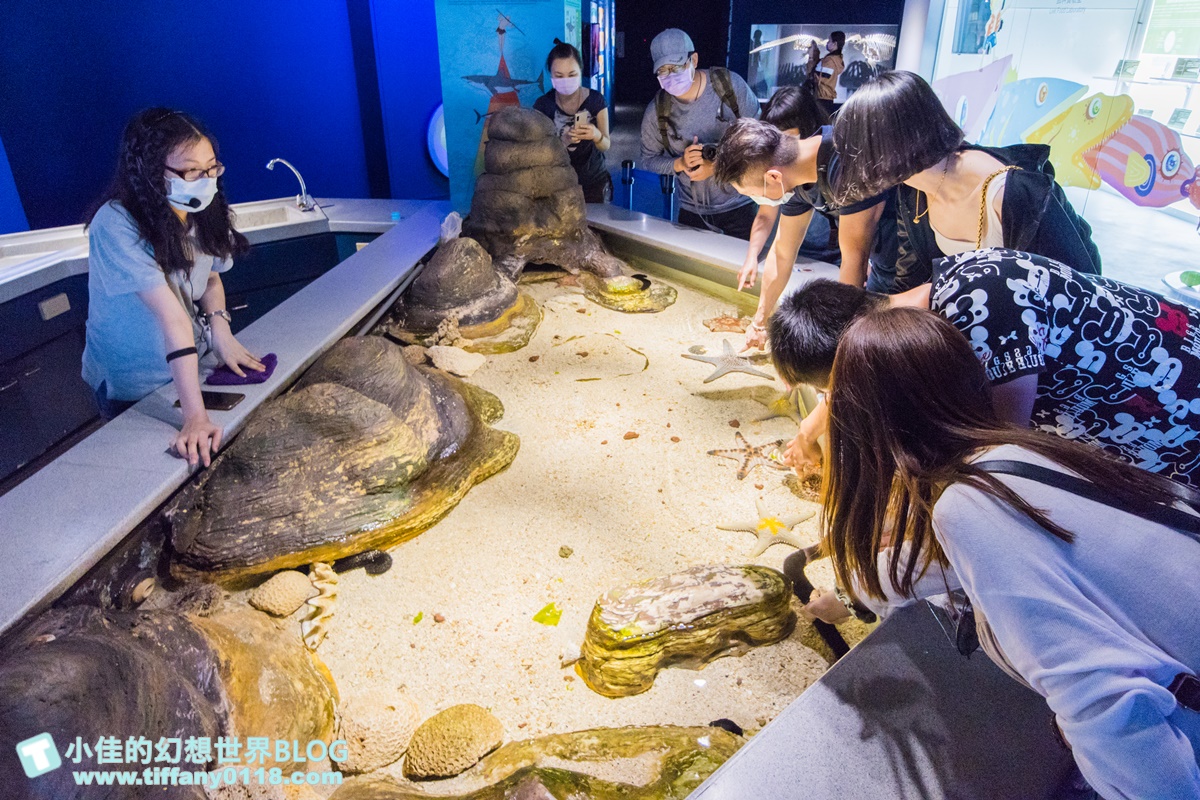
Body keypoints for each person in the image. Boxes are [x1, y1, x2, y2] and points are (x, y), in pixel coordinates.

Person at [820, 306, 1200, 799]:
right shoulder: (1022, 454)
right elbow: (946, 566)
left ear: (865, 422)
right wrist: (852, 595)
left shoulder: (969, 506)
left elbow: (1106, 704)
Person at [770, 248, 1200, 488]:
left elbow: (1001, 456)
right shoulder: (937, 295)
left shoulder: (985, 315)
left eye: (848, 383)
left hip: (1176, 406)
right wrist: (809, 431)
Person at [83, 108, 264, 466]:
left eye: (211, 168)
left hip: (188, 367)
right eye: (191, 171)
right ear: (151, 171)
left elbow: (210, 275)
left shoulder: (198, 208)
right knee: (148, 472)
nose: (205, 179)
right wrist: (195, 418)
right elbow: (173, 318)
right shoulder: (116, 223)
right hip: (133, 381)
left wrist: (221, 330)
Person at [833, 70, 1101, 289]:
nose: (852, 163)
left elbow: (1080, 289)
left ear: (890, 147)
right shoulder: (913, 189)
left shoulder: (1013, 192)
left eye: (857, 150)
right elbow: (910, 283)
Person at [713, 116, 899, 350]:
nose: (756, 200)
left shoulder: (845, 162)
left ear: (773, 177)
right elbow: (782, 252)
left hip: (910, 263)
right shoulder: (796, 179)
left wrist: (840, 351)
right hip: (882, 263)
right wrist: (759, 322)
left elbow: (854, 258)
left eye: (752, 194)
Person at [639, 28, 761, 240]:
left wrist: (717, 164)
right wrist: (680, 164)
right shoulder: (657, 111)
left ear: (693, 60)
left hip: (740, 201)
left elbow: (761, 140)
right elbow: (648, 160)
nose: (669, 76)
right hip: (693, 211)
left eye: (675, 67)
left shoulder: (730, 87)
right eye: (662, 71)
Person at [533, 39, 612, 203]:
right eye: (559, 75)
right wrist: (563, 141)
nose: (566, 80)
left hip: (594, 181)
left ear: (581, 71)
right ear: (550, 75)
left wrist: (596, 135)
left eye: (572, 74)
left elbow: (605, 145)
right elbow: (539, 154)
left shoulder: (596, 100)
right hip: (558, 183)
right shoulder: (542, 105)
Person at [812, 31, 845, 115]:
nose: (827, 43)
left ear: (835, 43)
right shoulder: (835, 59)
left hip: (822, 99)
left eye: (829, 41)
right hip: (826, 98)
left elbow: (820, 79)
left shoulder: (830, 61)